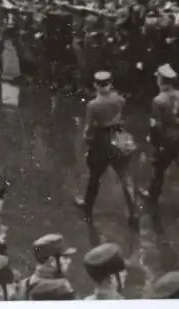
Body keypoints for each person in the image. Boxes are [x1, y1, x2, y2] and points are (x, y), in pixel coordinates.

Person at [74, 71, 139, 226]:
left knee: (95, 177)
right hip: (119, 138)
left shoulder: (93, 105)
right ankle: (134, 212)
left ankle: (87, 206)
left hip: (101, 141)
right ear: (110, 84)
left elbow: (89, 128)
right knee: (125, 177)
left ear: (95, 85)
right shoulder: (120, 99)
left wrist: (87, 141)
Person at [141, 64, 179, 222]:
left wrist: (153, 140)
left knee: (159, 169)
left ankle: (152, 197)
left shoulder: (158, 100)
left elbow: (155, 125)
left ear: (161, 80)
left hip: (165, 140)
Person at [14, 234, 77, 300]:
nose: (69, 261)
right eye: (65, 257)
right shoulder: (61, 287)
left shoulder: (23, 284)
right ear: (52, 261)